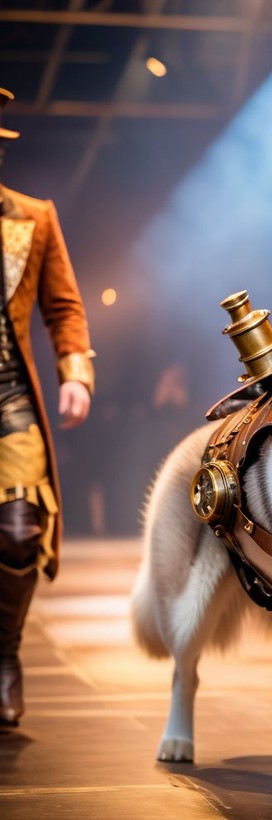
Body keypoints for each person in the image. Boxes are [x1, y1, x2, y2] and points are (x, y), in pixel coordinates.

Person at [0, 88, 94, 725]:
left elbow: (63, 306)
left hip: (10, 394)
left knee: (18, 528)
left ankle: (4, 656)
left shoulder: (32, 217)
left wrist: (75, 372)